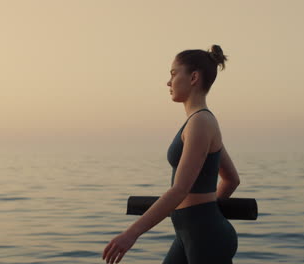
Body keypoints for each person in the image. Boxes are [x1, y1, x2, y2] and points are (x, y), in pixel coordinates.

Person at [102, 44, 241, 264]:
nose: (169, 82)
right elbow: (231, 179)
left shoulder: (201, 123)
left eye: (174, 74)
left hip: (206, 238)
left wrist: (131, 234)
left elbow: (179, 189)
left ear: (194, 77)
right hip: (190, 233)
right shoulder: (198, 122)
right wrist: (206, 210)